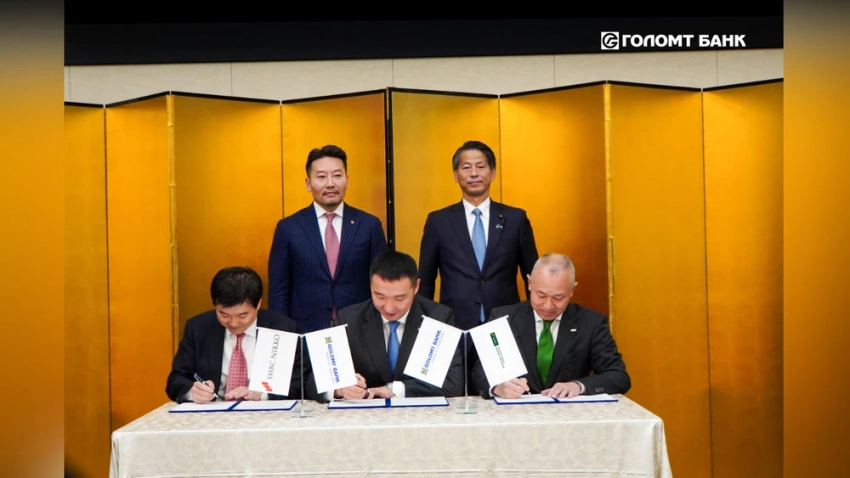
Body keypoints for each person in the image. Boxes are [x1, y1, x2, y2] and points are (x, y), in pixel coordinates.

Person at [418, 140, 539, 331]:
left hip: (505, 323)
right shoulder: (438, 221)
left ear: (493, 173)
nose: (474, 173)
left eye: (481, 167)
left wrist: (534, 322)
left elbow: (532, 276)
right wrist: (425, 326)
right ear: (456, 175)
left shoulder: (516, 219)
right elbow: (425, 280)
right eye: (466, 167)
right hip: (454, 324)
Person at [472, 253, 630, 399]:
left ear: (572, 290)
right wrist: (498, 388)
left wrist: (578, 386)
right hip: (516, 412)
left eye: (558, 297)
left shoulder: (591, 323)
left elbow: (619, 376)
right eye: (541, 295)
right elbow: (480, 372)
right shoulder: (503, 318)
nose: (548, 305)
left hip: (570, 415)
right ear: (530, 283)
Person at [268, 145, 388, 334]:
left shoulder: (369, 225)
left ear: (347, 180)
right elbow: (278, 290)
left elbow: (383, 282)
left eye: (337, 175)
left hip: (359, 328)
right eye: (322, 177)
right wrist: (282, 336)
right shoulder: (288, 228)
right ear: (308, 183)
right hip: (306, 329)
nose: (330, 184)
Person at [323, 250, 464, 401]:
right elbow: (316, 379)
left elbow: (453, 382)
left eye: (399, 298)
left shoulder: (437, 318)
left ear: (416, 287)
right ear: (370, 286)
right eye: (380, 297)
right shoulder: (349, 319)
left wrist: (395, 390)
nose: (389, 308)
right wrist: (340, 390)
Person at [166, 266, 304, 403]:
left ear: (258, 304)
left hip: (263, 410)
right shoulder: (198, 328)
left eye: (242, 315)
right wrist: (191, 392)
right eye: (224, 315)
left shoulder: (282, 329)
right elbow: (176, 380)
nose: (233, 323)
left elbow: (300, 382)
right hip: (212, 411)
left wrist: (263, 394)